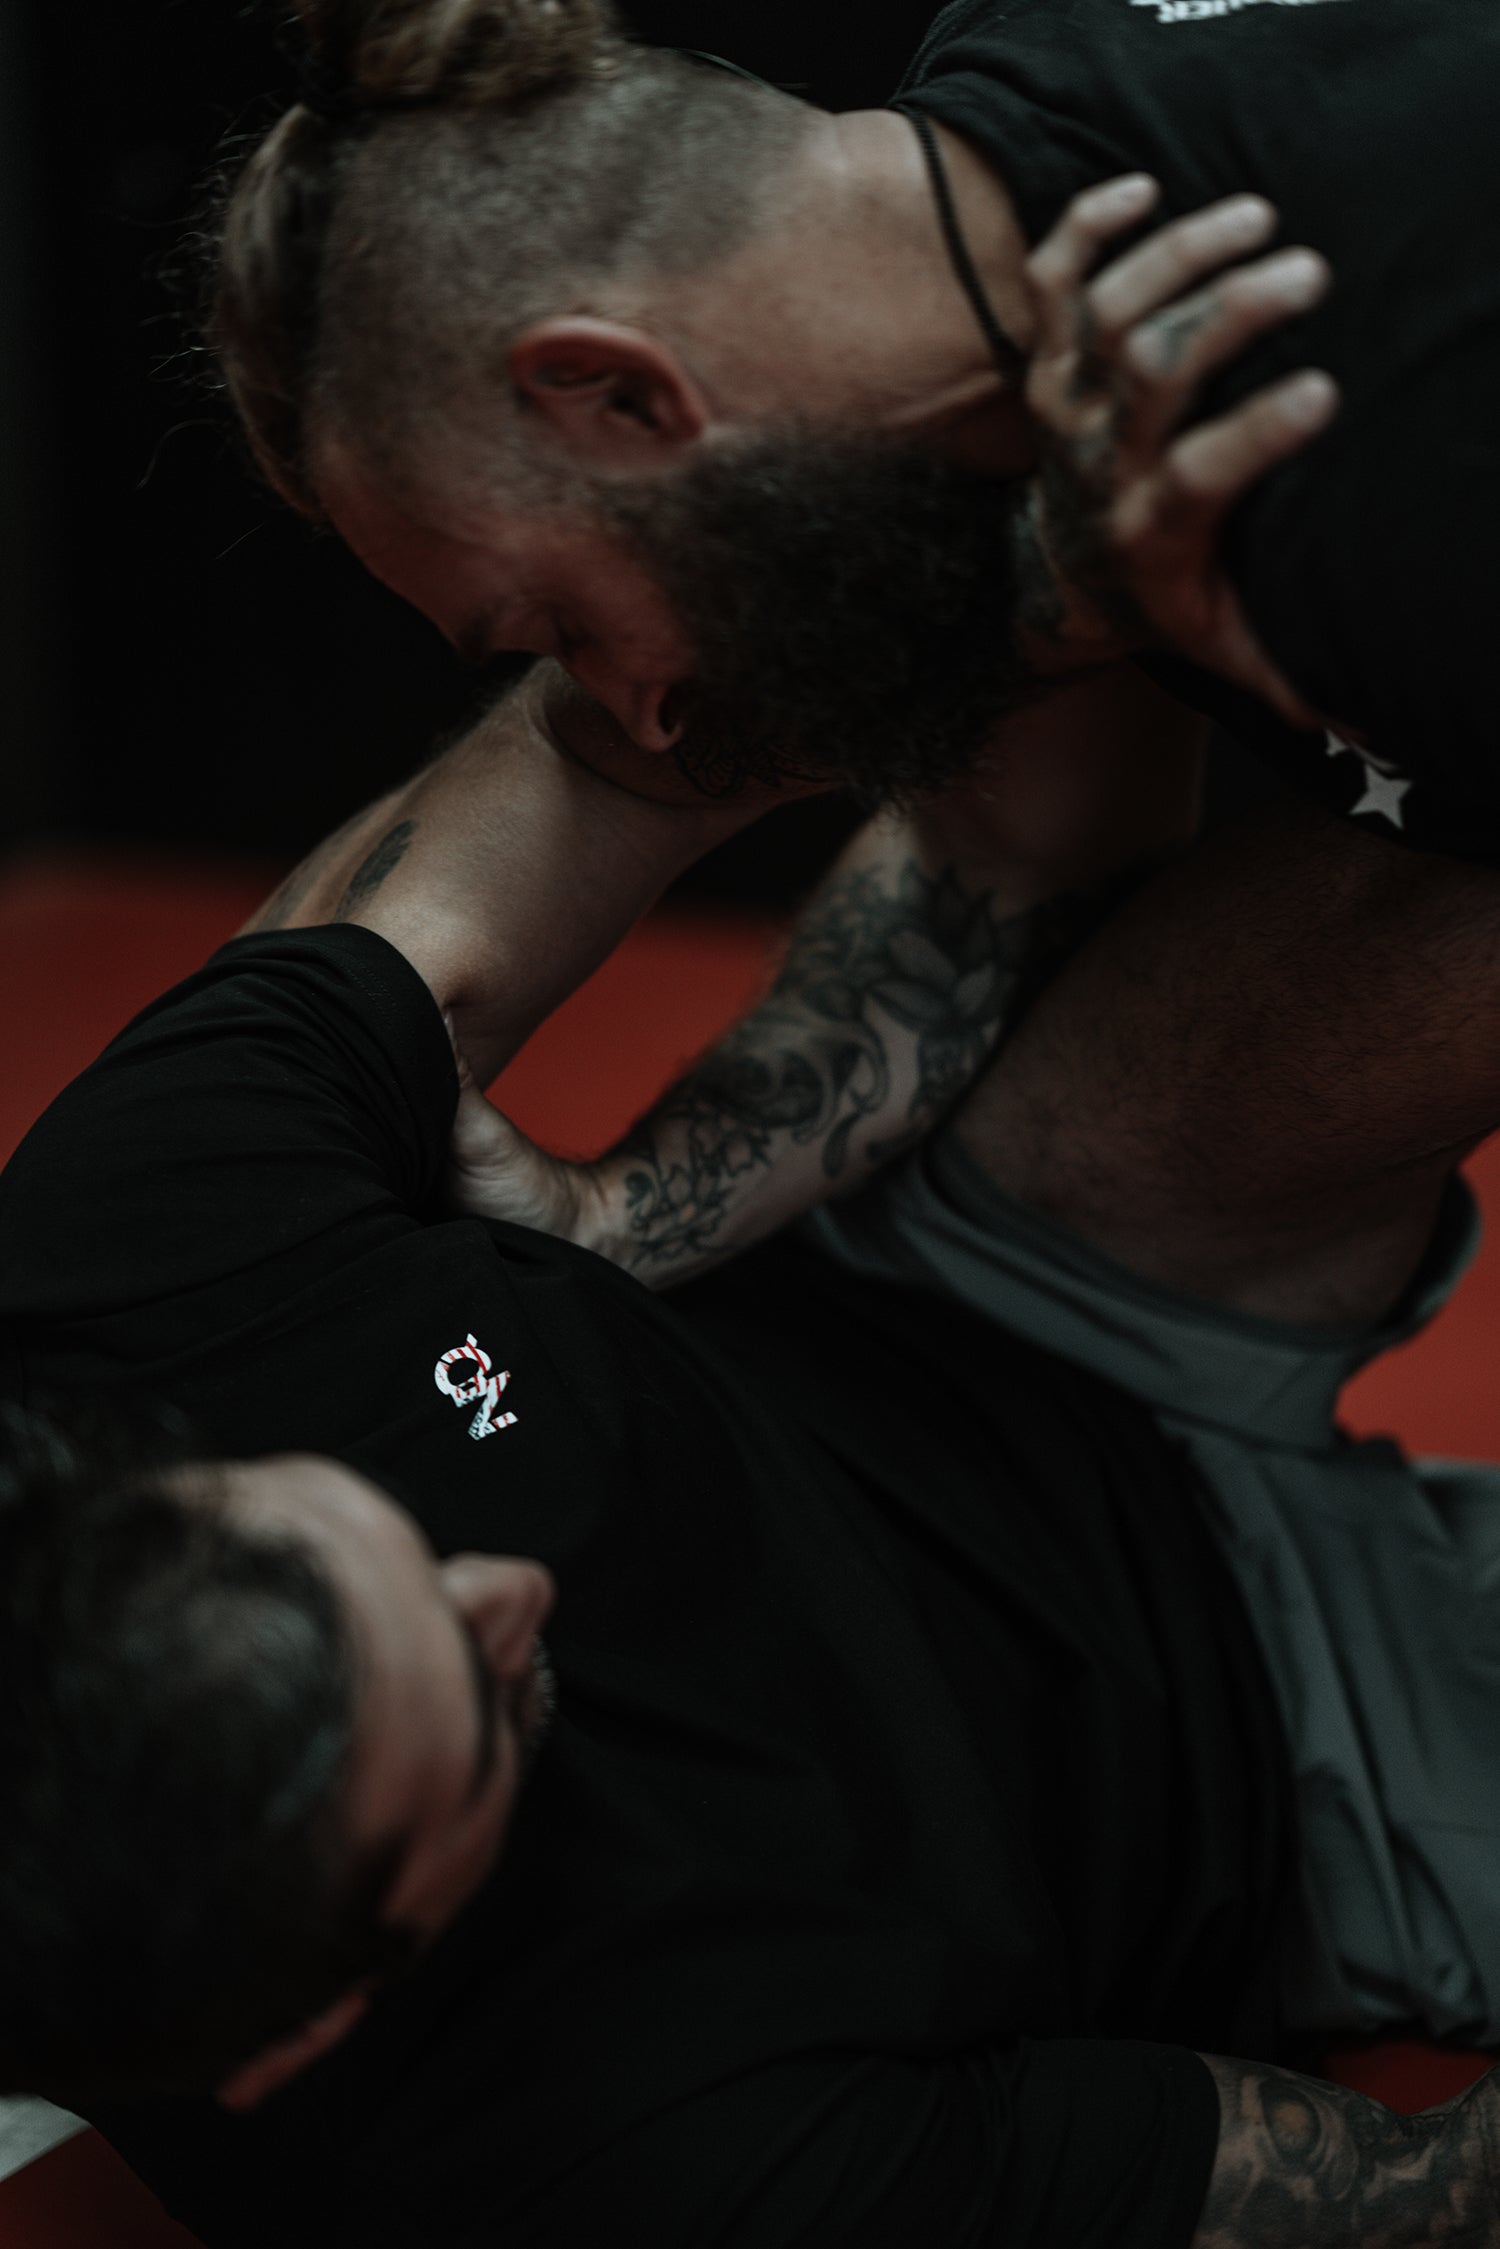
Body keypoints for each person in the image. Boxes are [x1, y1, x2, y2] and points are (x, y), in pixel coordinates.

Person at [6, 633, 1500, 2247]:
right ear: (309, 2030)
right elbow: (1416, 2194)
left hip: (989, 1287)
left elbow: (596, 757)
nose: (512, 1588)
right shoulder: (605, 2174)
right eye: (478, 1714)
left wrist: (1015, 579)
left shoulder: (122, 1265)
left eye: (390, 1542)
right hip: (1295, 1780)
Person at [205, 0, 1497, 858]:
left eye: (563, 627)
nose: (645, 720)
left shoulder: (1310, 458)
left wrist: (1316, 661)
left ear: (621, 394)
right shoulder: (1026, 44)